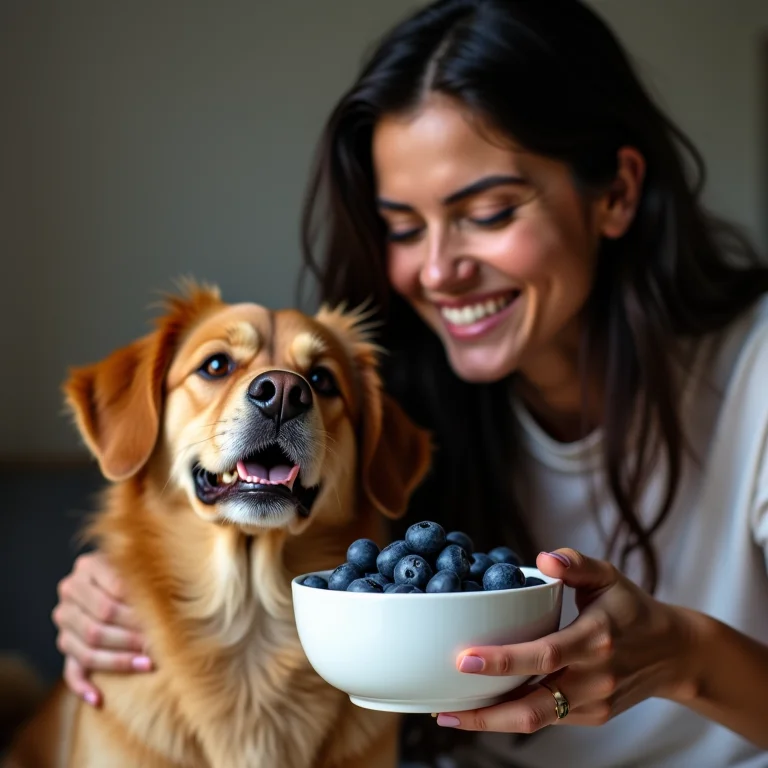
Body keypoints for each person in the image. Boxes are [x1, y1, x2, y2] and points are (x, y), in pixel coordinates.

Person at [50, 1, 768, 766]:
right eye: (402, 227)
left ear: (616, 193)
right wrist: (121, 582)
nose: (435, 271)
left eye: (488, 213)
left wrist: (685, 656)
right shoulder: (394, 403)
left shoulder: (754, 371)